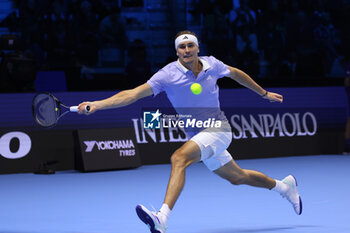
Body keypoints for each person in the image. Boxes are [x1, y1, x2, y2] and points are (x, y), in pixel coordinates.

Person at [77, 30, 302, 233]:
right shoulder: (166, 75)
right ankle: (284, 187)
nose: (186, 50)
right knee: (237, 177)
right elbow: (132, 94)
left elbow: (235, 74)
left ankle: (161, 219)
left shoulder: (212, 65)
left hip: (218, 129)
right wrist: (99, 104)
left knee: (179, 158)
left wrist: (263, 93)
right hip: (198, 135)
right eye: (182, 47)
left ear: (197, 48)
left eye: (190, 46)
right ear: (176, 51)